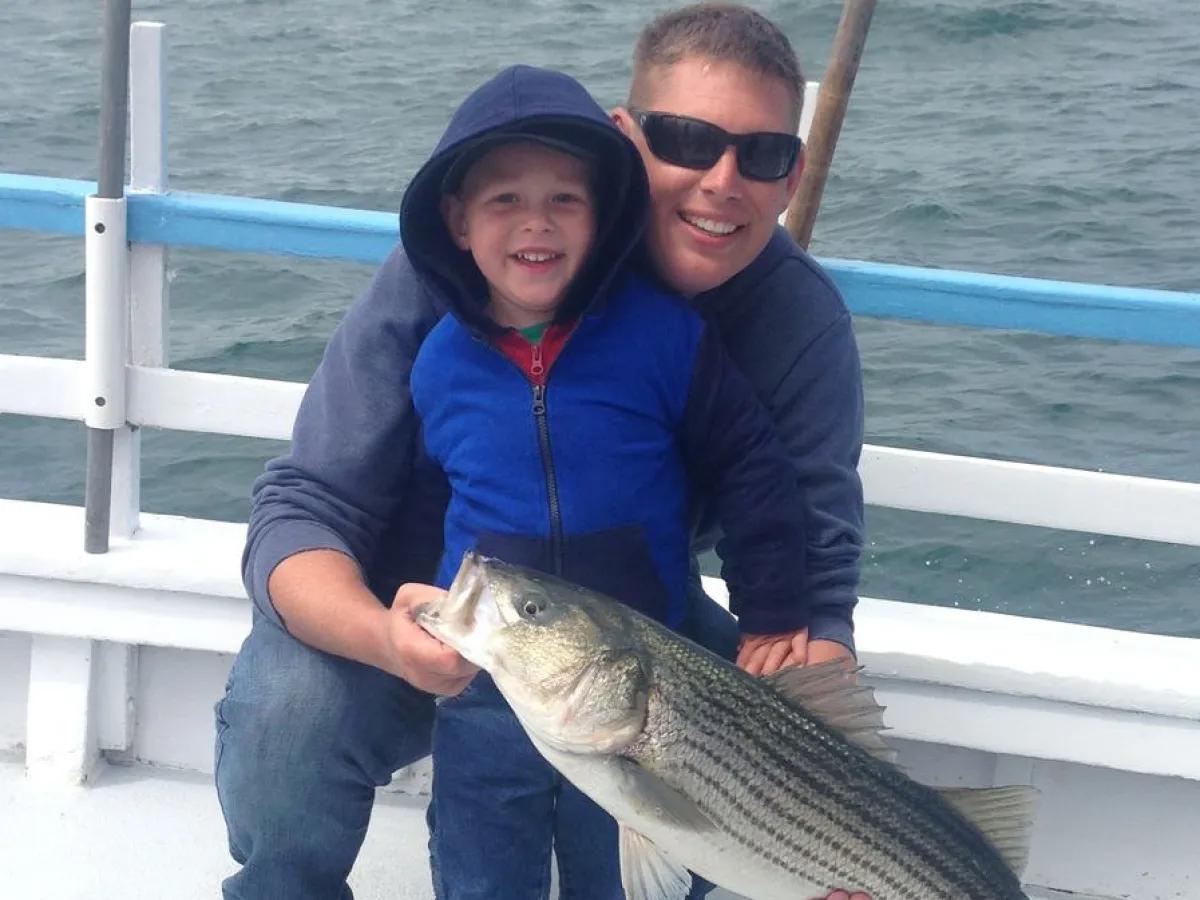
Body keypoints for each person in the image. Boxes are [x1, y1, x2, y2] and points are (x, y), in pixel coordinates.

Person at [216, 4, 868, 900]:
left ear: (792, 174)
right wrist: (386, 640)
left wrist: (827, 817)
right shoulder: (452, 280)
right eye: (687, 139)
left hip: (640, 623)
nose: (723, 183)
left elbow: (812, 584)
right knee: (289, 712)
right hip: (431, 609)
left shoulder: (797, 319)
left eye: (761, 155)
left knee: (757, 822)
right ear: (624, 139)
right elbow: (304, 505)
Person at [400, 62, 812, 899]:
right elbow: (427, 495)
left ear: (605, 215)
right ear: (458, 221)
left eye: (565, 199)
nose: (535, 223)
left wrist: (775, 609)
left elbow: (752, 471)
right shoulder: (438, 357)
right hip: (488, 686)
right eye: (505, 200)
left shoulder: (666, 336)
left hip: (649, 680)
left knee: (628, 873)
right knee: (480, 872)